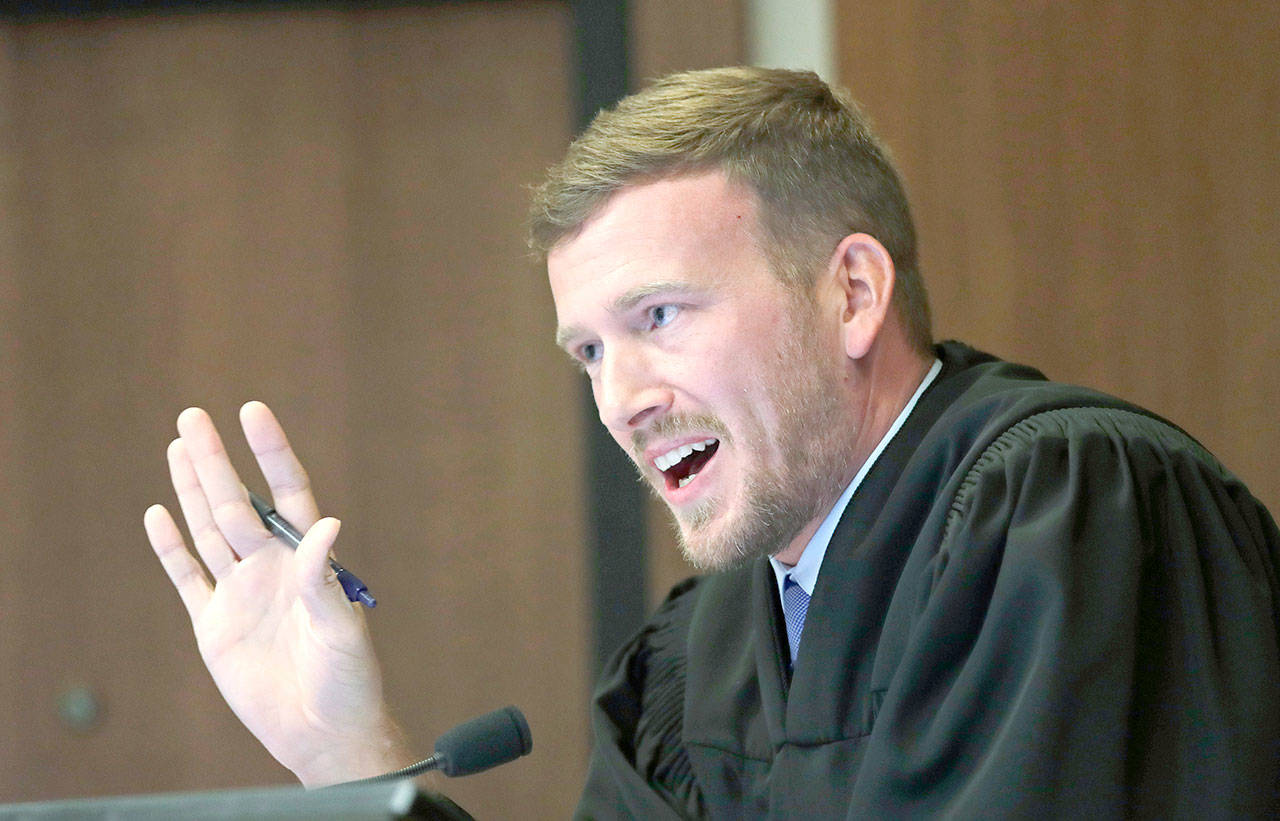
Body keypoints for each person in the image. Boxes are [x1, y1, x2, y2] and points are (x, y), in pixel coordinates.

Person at [144, 67, 1280, 817]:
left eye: (658, 317)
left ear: (849, 292)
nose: (619, 397)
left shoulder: (1066, 505)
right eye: (586, 350)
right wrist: (349, 753)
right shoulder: (710, 648)